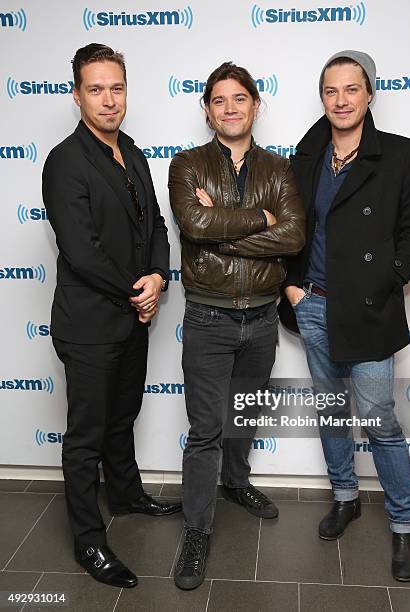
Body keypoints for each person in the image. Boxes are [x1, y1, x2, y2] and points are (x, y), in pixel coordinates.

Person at [279, 50, 410, 582]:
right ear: (321, 99)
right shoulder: (306, 156)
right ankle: (345, 495)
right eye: (331, 90)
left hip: (368, 309)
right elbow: (288, 227)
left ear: (370, 95)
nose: (341, 100)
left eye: (351, 89)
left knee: (379, 420)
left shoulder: (400, 155)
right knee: (330, 410)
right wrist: (293, 287)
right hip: (315, 304)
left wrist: (385, 281)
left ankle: (405, 523)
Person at [42, 43, 181, 589]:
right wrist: (136, 290)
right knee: (86, 434)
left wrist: (158, 277)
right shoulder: (65, 161)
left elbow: (157, 229)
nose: (108, 99)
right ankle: (89, 540)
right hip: (90, 324)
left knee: (122, 416)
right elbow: (81, 250)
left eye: (116, 88)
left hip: (131, 317)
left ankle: (125, 494)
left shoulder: (135, 154)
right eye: (96, 89)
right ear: (78, 95)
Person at [168, 62, 305, 590]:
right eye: (219, 100)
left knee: (241, 417)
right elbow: (194, 223)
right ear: (207, 110)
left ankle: (237, 483)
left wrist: (222, 227)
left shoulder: (279, 168)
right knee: (205, 431)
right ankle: (198, 530)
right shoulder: (187, 165)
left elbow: (293, 238)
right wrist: (262, 220)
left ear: (255, 105)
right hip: (208, 316)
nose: (230, 108)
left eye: (239, 99)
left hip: (263, 317)